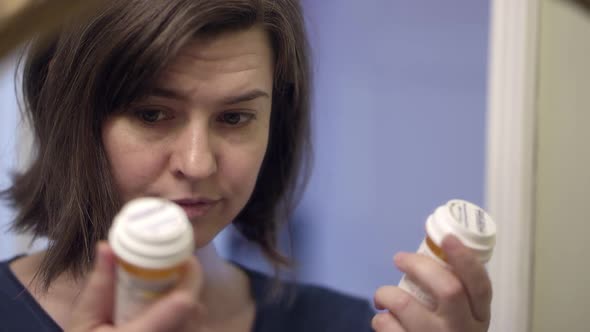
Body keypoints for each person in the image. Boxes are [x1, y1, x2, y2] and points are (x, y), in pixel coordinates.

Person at [0, 0, 493, 331]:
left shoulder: (340, 324)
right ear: (70, 118)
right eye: (152, 114)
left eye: (235, 117)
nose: (196, 163)